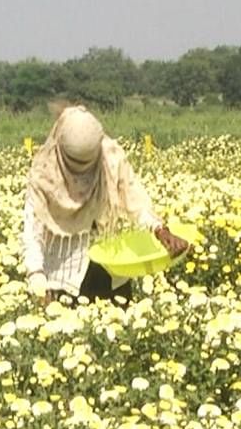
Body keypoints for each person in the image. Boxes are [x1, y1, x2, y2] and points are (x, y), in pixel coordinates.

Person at [23, 106, 188, 305]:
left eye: (88, 164)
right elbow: (34, 229)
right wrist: (37, 277)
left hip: (112, 270)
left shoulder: (110, 157)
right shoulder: (44, 171)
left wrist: (160, 230)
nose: (82, 175)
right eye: (75, 164)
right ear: (61, 150)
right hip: (64, 275)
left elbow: (133, 198)